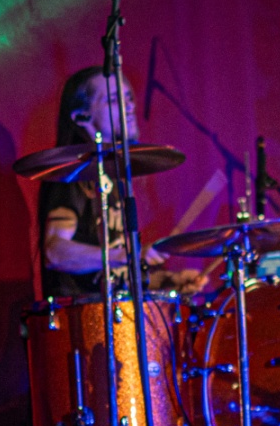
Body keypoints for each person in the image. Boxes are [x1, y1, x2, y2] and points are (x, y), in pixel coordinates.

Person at [38, 66, 177, 298]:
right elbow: (55, 252)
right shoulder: (72, 175)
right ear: (81, 117)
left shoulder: (113, 175)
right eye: (114, 100)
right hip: (81, 315)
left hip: (116, 310)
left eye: (128, 98)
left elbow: (114, 272)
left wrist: (166, 281)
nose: (129, 107)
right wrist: (129, 255)